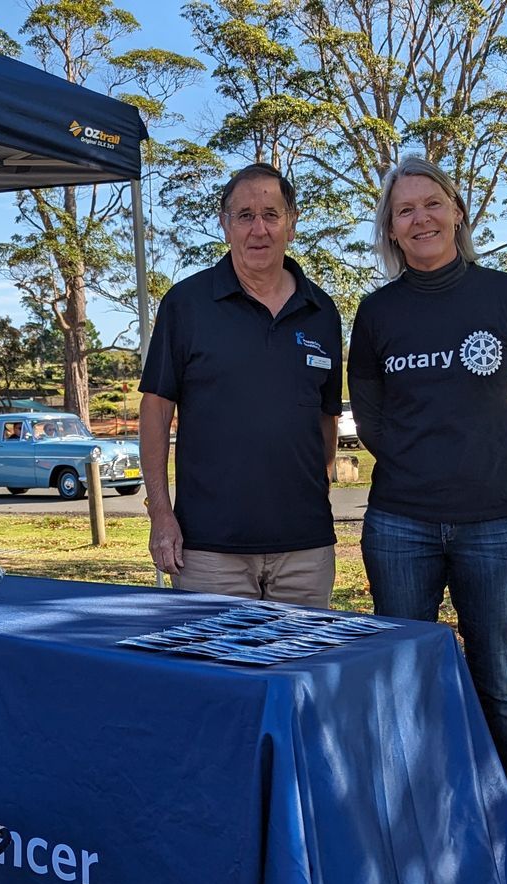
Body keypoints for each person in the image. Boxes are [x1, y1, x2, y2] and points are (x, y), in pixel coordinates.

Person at [347, 156, 507, 812]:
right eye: (404, 210)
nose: (421, 217)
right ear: (391, 229)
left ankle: (499, 818)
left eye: (431, 203)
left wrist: (488, 463)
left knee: (496, 677)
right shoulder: (377, 312)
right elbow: (372, 414)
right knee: (401, 676)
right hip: (399, 523)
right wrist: (419, 467)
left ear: (458, 211)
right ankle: (413, 821)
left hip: (493, 521)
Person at [139, 163, 343, 608]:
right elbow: (155, 410)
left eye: (271, 214)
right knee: (217, 677)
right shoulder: (186, 304)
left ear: (292, 222)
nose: (259, 229)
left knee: (300, 674)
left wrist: (316, 490)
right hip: (211, 551)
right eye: (244, 215)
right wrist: (161, 514)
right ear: (224, 224)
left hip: (305, 550)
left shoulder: (322, 311)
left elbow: (326, 418)